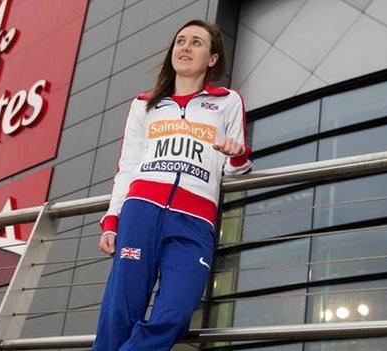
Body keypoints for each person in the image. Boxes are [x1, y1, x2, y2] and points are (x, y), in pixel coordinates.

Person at [92, 19, 253, 351]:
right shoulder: (144, 105)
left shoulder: (227, 102)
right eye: (180, 41)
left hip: (194, 221)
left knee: (175, 314)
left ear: (212, 58)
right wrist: (112, 220)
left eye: (196, 42)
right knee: (119, 313)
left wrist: (237, 156)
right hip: (140, 213)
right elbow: (127, 168)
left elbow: (235, 168)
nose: (185, 47)